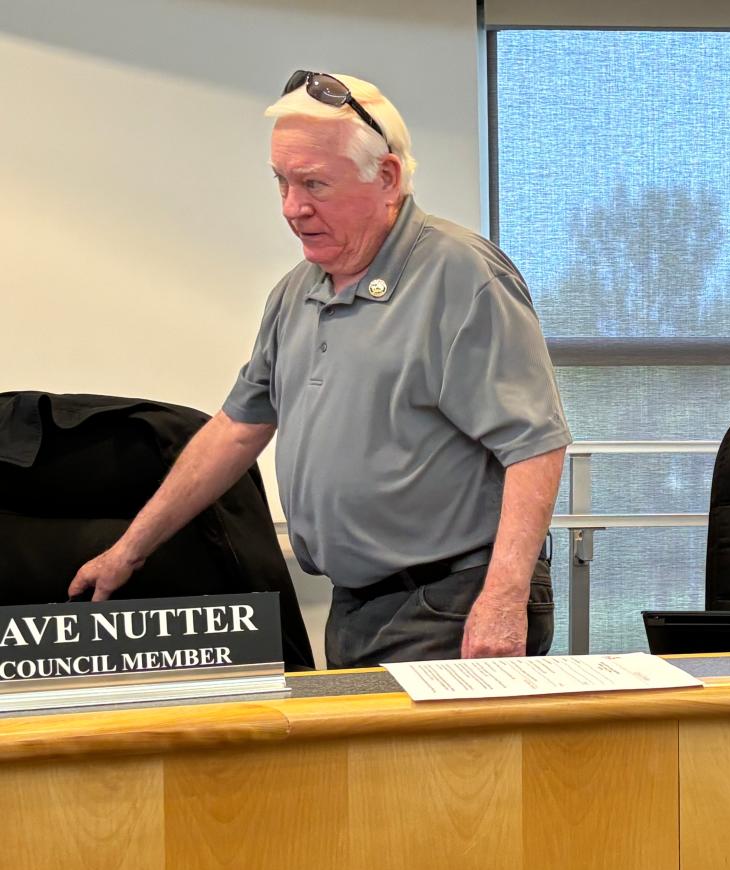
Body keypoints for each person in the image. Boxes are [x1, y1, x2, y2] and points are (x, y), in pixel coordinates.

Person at [70, 71, 572, 665]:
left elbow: (536, 445)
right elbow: (237, 427)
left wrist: (504, 600)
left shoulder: (459, 274)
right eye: (280, 182)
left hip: (454, 605)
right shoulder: (295, 292)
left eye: (314, 184)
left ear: (385, 178)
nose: (292, 207)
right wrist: (129, 549)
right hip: (358, 605)